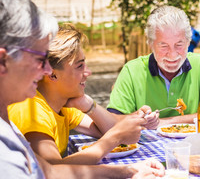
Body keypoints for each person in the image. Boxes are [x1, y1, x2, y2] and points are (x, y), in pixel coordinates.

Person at [0, 0, 165, 178]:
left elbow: (50, 171)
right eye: (39, 59)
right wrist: (115, 137)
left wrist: (128, 170)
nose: (45, 69)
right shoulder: (27, 110)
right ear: (3, 61)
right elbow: (52, 170)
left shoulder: (55, 107)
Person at [8, 24, 152, 165]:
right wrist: (115, 137)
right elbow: (54, 170)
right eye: (80, 66)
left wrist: (90, 106)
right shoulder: (30, 110)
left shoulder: (62, 104)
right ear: (52, 74)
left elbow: (105, 130)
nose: (88, 72)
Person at [107, 5, 200, 127]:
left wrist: (163, 122)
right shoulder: (131, 70)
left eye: (179, 45)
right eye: (163, 46)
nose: (172, 55)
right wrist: (137, 117)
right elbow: (111, 120)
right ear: (150, 43)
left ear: (188, 42)